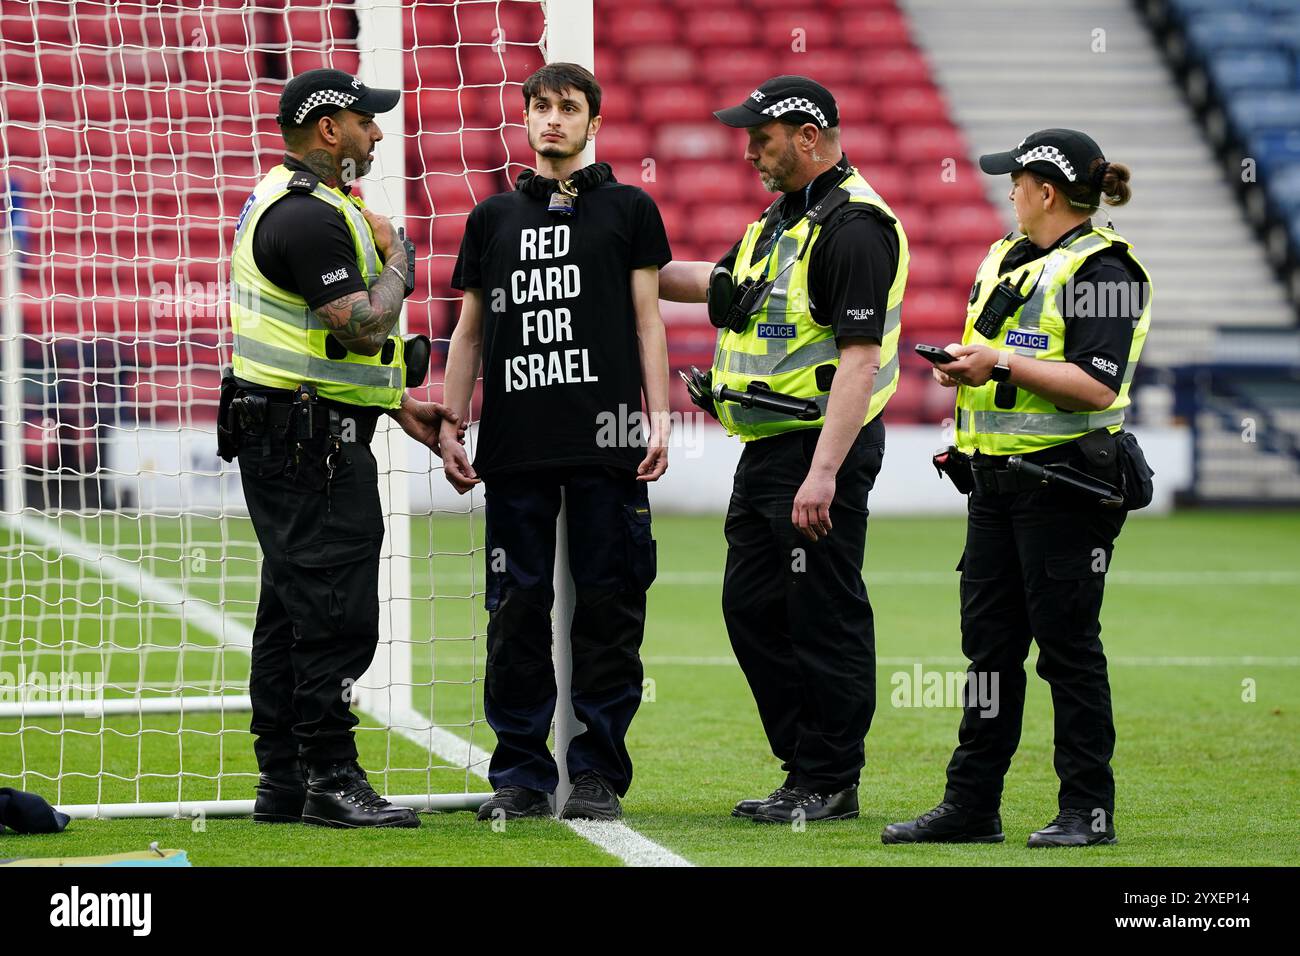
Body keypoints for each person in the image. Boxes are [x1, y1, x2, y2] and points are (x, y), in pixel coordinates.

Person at [883, 128, 1152, 847]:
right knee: (990, 653)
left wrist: (997, 363)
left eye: (1017, 180)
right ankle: (972, 807)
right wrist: (968, 364)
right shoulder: (1009, 256)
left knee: (1067, 650)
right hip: (996, 489)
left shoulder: (1105, 270)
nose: (1009, 190)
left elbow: (1096, 386)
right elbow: (1012, 363)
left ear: (1047, 191)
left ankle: (1087, 811)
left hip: (1064, 486)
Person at [659, 76, 909, 824]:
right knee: (752, 607)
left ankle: (829, 778)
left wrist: (825, 472)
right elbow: (718, 283)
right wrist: (626, 258)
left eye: (759, 138)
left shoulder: (855, 227)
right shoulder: (783, 220)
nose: (747, 152)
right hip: (770, 448)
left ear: (807, 135)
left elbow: (860, 361)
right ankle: (806, 767)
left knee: (823, 612)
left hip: (817, 449)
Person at [221, 68, 459, 829]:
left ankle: (284, 778)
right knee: (331, 613)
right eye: (367, 121)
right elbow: (361, 324)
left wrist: (394, 405)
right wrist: (402, 259)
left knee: (290, 610)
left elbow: (321, 355)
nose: (378, 133)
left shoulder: (302, 205)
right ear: (329, 129)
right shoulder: (309, 217)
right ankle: (329, 775)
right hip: (309, 451)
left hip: (300, 436)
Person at [439, 62, 671, 822]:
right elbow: (468, 329)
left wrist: (661, 415)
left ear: (593, 121)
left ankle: (598, 772)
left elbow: (647, 320)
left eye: (568, 108)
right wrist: (451, 420)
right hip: (516, 443)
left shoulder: (630, 208)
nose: (552, 120)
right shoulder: (492, 218)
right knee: (515, 613)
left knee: (608, 609)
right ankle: (520, 775)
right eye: (540, 107)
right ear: (527, 119)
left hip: (609, 440)